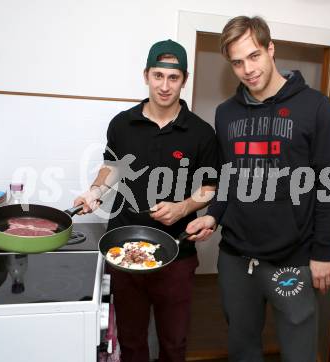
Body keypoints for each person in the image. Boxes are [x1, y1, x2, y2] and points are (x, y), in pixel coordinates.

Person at [186, 16, 330, 362]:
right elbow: (229, 176)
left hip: (294, 261)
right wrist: (212, 217)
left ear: (271, 49)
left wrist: (322, 252)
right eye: (238, 62)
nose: (248, 69)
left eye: (254, 56)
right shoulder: (226, 114)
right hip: (235, 259)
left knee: (299, 352)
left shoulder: (315, 107)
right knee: (243, 350)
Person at [74, 39, 218, 362]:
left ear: (184, 79)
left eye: (173, 78)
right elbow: (111, 167)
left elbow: (210, 187)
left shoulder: (201, 133)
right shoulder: (122, 123)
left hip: (177, 253)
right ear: (146, 75)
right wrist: (96, 191)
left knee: (174, 344)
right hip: (124, 253)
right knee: (131, 342)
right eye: (158, 76)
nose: (165, 86)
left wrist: (182, 207)